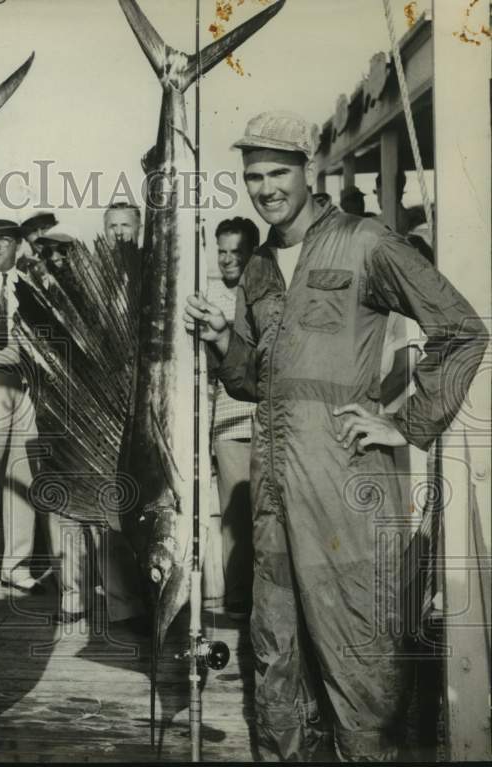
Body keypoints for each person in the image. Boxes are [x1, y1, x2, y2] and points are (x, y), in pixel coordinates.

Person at [183, 111, 487, 761]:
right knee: (274, 654)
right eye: (252, 176)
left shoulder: (364, 242)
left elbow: (460, 328)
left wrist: (404, 422)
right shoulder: (259, 266)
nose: (264, 188)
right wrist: (219, 339)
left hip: (344, 481)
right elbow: (248, 381)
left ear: (309, 169)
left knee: (359, 657)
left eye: (277, 173)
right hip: (271, 488)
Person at [0, 217, 86, 621]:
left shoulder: (30, 281)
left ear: (17, 244)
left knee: (22, 475)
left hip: (29, 385)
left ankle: (16, 566)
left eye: (2, 240)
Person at [206, 217, 260, 619]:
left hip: (270, 418)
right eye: (221, 250)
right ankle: (239, 598)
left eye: (235, 251)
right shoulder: (207, 297)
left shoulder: (265, 293)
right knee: (235, 517)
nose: (227, 259)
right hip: (229, 420)